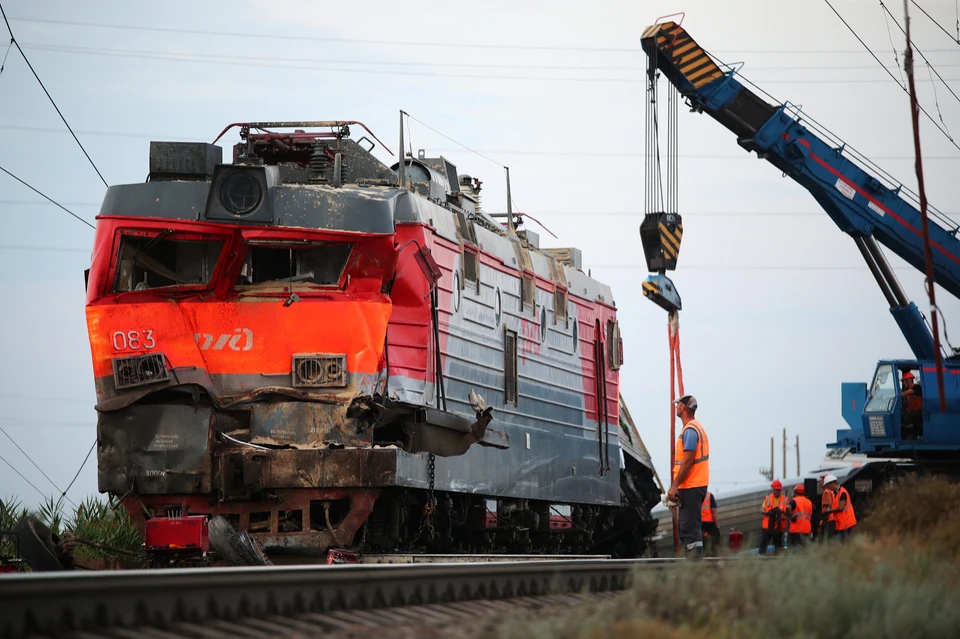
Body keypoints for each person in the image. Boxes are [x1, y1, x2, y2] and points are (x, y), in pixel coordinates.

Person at [666, 395, 710, 560]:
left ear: (683, 408)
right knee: (687, 529)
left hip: (691, 486)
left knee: (690, 530)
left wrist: (674, 485)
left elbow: (688, 461)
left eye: (678, 404)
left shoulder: (690, 431)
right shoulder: (696, 428)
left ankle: (694, 568)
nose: (676, 406)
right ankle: (692, 565)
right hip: (693, 485)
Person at [820, 474, 857, 542]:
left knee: (845, 544)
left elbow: (840, 508)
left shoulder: (842, 492)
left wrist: (828, 511)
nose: (828, 488)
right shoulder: (835, 493)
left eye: (828, 485)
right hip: (841, 524)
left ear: (832, 483)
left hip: (847, 523)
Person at [758, 480, 788, 555]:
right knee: (763, 546)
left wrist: (781, 512)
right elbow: (762, 510)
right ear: (773, 489)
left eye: (778, 490)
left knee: (778, 547)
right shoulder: (768, 498)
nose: (777, 491)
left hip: (778, 527)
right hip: (767, 527)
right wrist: (768, 513)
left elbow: (787, 512)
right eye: (775, 489)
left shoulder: (785, 499)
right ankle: (760, 560)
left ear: (780, 490)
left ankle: (777, 561)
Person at [901, 370, 923, 440]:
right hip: (913, 411)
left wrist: (891, 395)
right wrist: (902, 403)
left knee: (904, 416)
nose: (904, 383)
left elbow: (904, 393)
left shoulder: (916, 387)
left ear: (909, 380)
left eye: (904, 381)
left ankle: (907, 434)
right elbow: (910, 402)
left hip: (919, 412)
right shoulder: (910, 390)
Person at [701, 488, 720, 557]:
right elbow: (714, 511)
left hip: (700, 523)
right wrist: (717, 524)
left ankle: (704, 556)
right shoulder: (709, 495)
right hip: (710, 522)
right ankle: (714, 556)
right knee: (715, 538)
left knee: (701, 541)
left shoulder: (696, 496)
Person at [817, 474, 836, 542]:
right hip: (832, 518)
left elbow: (828, 507)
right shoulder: (832, 492)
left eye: (821, 481)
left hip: (829, 519)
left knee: (826, 540)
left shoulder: (826, 492)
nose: (819, 483)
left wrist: (823, 521)